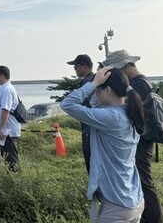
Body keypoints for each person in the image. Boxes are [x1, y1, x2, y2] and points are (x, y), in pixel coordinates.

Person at [60, 67, 145, 222]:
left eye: (97, 89)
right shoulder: (128, 112)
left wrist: (92, 83)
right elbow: (96, 103)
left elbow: (67, 104)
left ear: (108, 91)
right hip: (133, 198)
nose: (95, 93)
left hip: (117, 206)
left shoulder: (110, 117)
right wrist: (98, 82)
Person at [102, 49, 163, 223]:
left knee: (144, 181)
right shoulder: (141, 82)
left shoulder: (137, 85)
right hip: (142, 138)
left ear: (125, 66)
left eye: (116, 69)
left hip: (140, 140)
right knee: (142, 179)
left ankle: (155, 219)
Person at [67, 54, 94, 173]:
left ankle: (96, 191)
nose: (75, 69)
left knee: (91, 161)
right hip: (93, 125)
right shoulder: (93, 79)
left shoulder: (87, 82)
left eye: (76, 66)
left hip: (89, 127)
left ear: (84, 66)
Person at [0, 65, 21, 171]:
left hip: (8, 130)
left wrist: (1, 129)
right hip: (6, 130)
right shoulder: (4, 89)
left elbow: (6, 110)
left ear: (3, 75)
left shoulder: (7, 89)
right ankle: (12, 180)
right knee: (7, 158)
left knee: (11, 160)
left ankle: (16, 182)